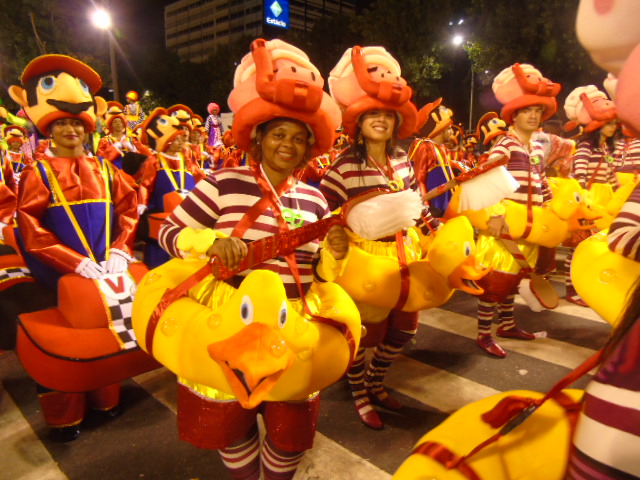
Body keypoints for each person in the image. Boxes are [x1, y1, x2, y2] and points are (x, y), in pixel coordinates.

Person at [157, 38, 345, 480]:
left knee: (288, 430)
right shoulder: (222, 182)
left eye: (298, 139)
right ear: (259, 135)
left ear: (309, 146)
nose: (288, 145)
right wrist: (209, 242)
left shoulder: (315, 199)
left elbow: (319, 272)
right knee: (230, 424)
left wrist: (335, 256)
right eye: (279, 134)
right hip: (228, 318)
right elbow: (168, 233)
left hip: (292, 318)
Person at [8, 54, 139, 440]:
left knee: (106, 331)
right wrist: (70, 262)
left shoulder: (107, 170)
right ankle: (65, 417)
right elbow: (29, 227)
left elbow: (129, 210)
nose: (70, 129)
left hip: (105, 273)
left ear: (87, 128)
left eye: (76, 123)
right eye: (62, 123)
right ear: (49, 129)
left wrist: (122, 249)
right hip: (58, 277)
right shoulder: (37, 173)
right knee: (63, 340)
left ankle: (106, 398)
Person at [320, 45, 439, 429]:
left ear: (396, 122)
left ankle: (376, 380)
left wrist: (435, 231)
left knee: (405, 329)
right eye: (372, 114)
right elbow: (322, 211)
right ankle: (359, 392)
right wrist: (335, 232)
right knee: (362, 333)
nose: (380, 121)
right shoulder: (342, 166)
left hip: (403, 255)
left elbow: (416, 204)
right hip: (362, 260)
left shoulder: (403, 160)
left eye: (387, 115)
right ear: (358, 121)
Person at [472, 63, 561, 358]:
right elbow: (484, 177)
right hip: (505, 226)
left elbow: (541, 180)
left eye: (537, 111)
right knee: (495, 282)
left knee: (515, 279)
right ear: (514, 115)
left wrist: (552, 206)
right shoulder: (504, 145)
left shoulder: (535, 148)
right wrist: (496, 214)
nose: (533, 116)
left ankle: (507, 324)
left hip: (529, 225)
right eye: (526, 111)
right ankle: (484, 334)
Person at [563, 85, 618, 306]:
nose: (613, 127)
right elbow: (579, 174)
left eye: (614, 123)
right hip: (589, 198)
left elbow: (612, 175)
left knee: (599, 244)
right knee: (580, 245)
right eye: (610, 123)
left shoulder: (605, 148)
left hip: (605, 199)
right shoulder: (586, 146)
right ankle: (571, 288)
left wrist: (619, 196)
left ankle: (589, 285)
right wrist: (584, 200)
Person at [136, 107, 205, 268]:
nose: (181, 142)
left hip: (186, 212)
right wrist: (142, 203)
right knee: (160, 246)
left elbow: (199, 177)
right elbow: (146, 184)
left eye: (182, 139)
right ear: (167, 142)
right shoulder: (155, 160)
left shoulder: (186, 159)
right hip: (162, 214)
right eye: (177, 139)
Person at [408, 98, 457, 217]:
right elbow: (418, 180)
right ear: (439, 130)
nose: (452, 132)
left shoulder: (443, 148)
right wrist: (424, 207)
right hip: (432, 209)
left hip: (446, 206)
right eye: (448, 128)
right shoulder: (423, 146)